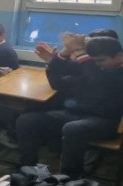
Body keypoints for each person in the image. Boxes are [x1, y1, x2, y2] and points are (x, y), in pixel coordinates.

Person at [17, 35, 123, 178]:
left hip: (106, 120)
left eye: (101, 60)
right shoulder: (93, 67)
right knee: (26, 120)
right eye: (94, 61)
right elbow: (60, 72)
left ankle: (71, 178)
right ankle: (28, 170)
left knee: (73, 128)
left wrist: (79, 50)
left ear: (119, 56)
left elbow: (97, 79)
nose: (97, 64)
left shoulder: (114, 73)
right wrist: (65, 51)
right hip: (76, 114)